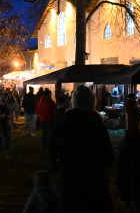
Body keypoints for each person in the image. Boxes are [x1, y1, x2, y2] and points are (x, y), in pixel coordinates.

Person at [49, 85, 114, 213]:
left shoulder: (62, 123)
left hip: (69, 183)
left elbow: (52, 152)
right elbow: (108, 157)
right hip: (94, 184)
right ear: (92, 102)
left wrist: (60, 164)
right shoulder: (96, 125)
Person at [117, 110, 140, 213]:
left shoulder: (132, 136)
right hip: (139, 188)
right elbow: (123, 164)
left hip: (138, 188)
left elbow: (122, 164)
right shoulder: (133, 137)